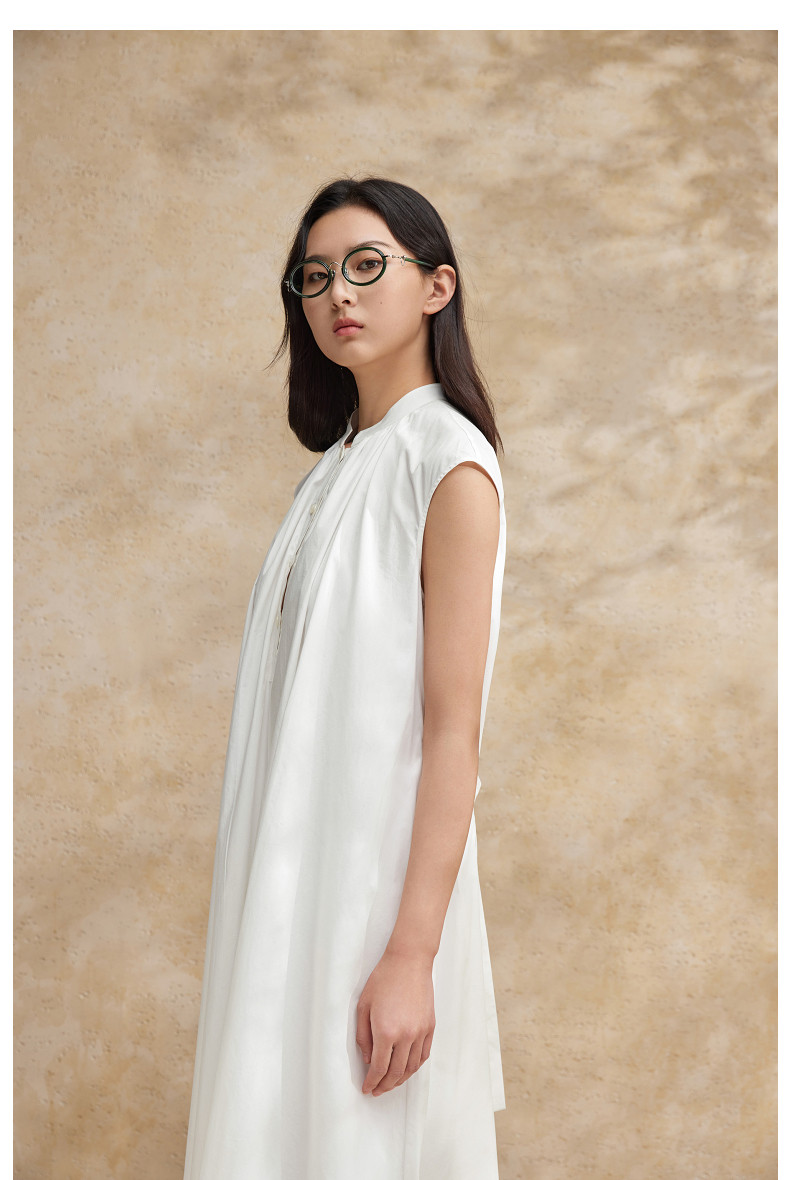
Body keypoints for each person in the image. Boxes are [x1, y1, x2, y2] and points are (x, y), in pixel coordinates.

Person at [182, 176, 507, 1180]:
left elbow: (453, 733)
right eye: (315, 276)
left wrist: (410, 955)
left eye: (367, 266)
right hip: (290, 880)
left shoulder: (445, 462)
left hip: (372, 897)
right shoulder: (334, 469)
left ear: (437, 286)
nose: (339, 295)